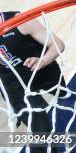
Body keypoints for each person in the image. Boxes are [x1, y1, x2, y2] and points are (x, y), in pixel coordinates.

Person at [0, 10, 66, 152]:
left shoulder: (19, 20)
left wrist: (44, 60)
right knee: (40, 131)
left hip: (42, 71)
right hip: (15, 85)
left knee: (63, 93)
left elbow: (58, 44)